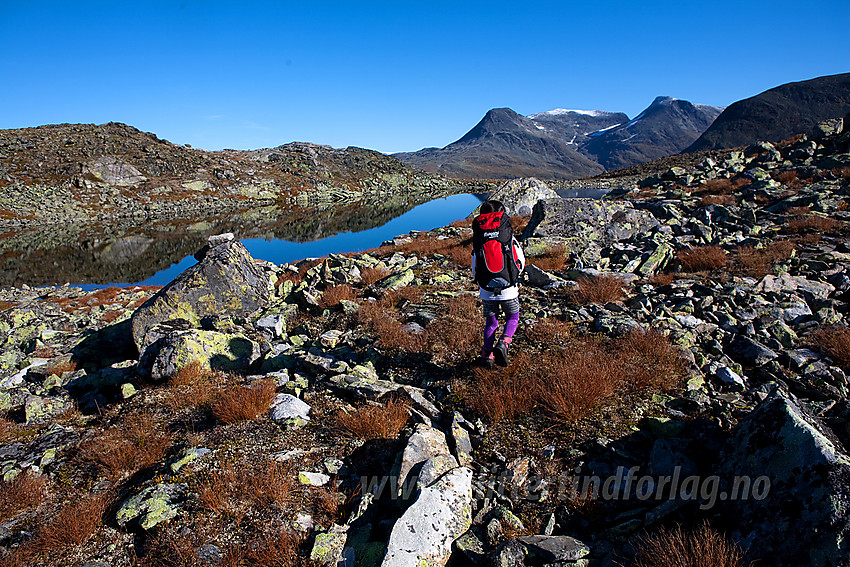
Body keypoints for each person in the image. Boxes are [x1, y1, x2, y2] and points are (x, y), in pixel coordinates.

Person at [471, 200, 525, 368]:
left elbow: (474, 265)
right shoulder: (508, 237)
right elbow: (520, 261)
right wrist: (515, 278)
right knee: (513, 317)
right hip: (508, 288)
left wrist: (480, 282)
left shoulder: (479, 239)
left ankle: (487, 356)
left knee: (491, 322)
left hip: (486, 289)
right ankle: (504, 342)